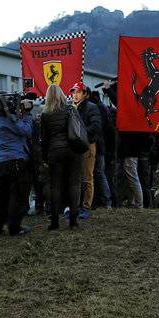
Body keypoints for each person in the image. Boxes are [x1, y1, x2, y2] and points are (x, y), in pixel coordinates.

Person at [39, 84, 83, 230]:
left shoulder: (45, 114)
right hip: (72, 150)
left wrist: (45, 157)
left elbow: (44, 139)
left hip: (54, 151)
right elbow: (79, 128)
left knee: (55, 186)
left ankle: (54, 221)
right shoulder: (70, 109)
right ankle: (73, 221)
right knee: (74, 184)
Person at [0, 92, 33, 236]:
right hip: (16, 160)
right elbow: (26, 130)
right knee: (18, 195)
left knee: (2, 196)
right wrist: (27, 114)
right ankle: (15, 227)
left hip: (2, 161)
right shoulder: (7, 120)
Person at [70, 82, 102, 220]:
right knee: (75, 177)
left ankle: (86, 207)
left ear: (85, 94)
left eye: (78, 92)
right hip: (74, 145)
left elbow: (96, 126)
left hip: (87, 145)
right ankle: (75, 206)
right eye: (73, 92)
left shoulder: (91, 107)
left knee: (87, 177)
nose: (75, 95)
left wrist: (79, 134)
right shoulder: (71, 107)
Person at [88, 90, 114, 210]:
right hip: (102, 145)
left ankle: (102, 201)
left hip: (96, 145)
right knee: (100, 173)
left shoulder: (93, 108)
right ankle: (105, 201)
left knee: (96, 173)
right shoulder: (103, 108)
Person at [117, 132, 153, 209]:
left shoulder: (133, 129)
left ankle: (138, 204)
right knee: (132, 179)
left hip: (130, 153)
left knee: (133, 179)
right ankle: (133, 202)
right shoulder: (139, 129)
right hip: (133, 153)